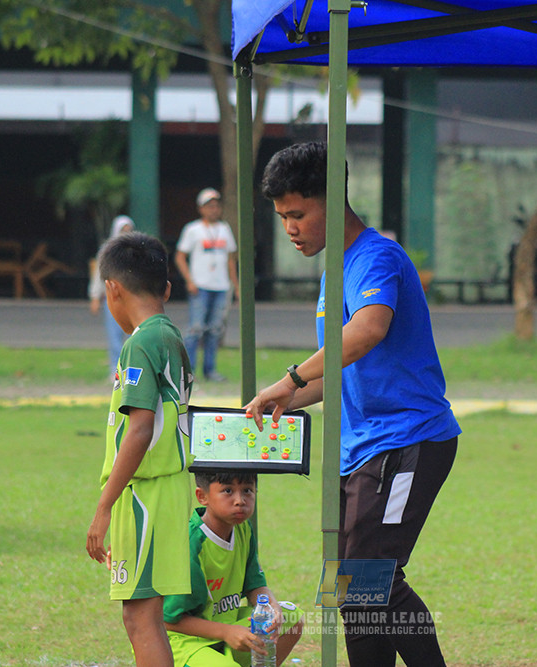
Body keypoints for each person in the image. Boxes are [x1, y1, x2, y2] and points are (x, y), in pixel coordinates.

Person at [243, 141, 461, 667]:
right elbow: (342, 369)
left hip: (408, 439)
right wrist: (282, 398)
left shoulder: (377, 256)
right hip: (363, 449)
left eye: (298, 214)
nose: (289, 228)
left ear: (333, 200)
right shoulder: (335, 270)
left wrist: (291, 377)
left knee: (368, 577)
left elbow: (366, 331)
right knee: (350, 585)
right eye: (282, 217)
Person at [86, 231, 195, 667]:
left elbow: (140, 430)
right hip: (165, 491)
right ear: (166, 289)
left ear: (112, 289)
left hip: (145, 496)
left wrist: (104, 506)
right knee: (145, 615)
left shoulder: (141, 342)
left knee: (140, 617)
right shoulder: (169, 335)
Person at [163, 471, 304, 667]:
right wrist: (226, 632)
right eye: (228, 491)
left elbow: (255, 585)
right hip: (185, 642)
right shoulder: (190, 544)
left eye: (247, 490)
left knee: (292, 617)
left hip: (225, 628)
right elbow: (168, 620)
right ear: (202, 496)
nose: (240, 501)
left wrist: (271, 606)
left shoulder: (243, 529)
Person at [175, 188, 239, 382]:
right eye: (209, 206)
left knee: (215, 330)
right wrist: (189, 280)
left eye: (216, 206)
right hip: (200, 285)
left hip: (221, 286)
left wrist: (235, 285)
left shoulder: (224, 229)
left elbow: (230, 259)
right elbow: (180, 257)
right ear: (201, 208)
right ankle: (189, 371)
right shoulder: (192, 229)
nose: (213, 209)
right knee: (195, 329)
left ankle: (210, 370)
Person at [89, 215, 135, 371]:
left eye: (129, 230)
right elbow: (98, 275)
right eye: (123, 230)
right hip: (112, 297)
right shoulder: (107, 250)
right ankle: (115, 369)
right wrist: (95, 297)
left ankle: (132, 367)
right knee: (114, 335)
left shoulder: (136, 250)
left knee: (134, 335)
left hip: (131, 297)